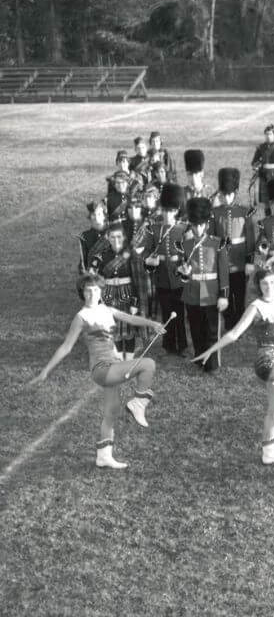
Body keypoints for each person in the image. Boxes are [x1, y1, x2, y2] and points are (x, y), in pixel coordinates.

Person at [30, 273, 166, 469]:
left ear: (101, 291)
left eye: (96, 289)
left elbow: (129, 318)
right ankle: (138, 403)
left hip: (113, 364)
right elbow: (66, 347)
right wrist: (45, 372)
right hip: (101, 369)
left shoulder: (106, 309)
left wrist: (152, 324)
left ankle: (103, 456)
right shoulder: (81, 317)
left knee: (111, 412)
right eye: (87, 290)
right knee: (148, 364)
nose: (92, 293)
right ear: (82, 293)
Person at [193, 268, 274, 464]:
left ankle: (269, 452)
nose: (269, 287)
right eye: (264, 284)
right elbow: (235, 333)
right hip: (267, 363)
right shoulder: (255, 307)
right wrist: (211, 350)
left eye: (272, 283)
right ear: (259, 286)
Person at [179, 197, 230, 372]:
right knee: (196, 328)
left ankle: (212, 363)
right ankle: (199, 358)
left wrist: (224, 295)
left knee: (211, 330)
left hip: (211, 293)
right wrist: (184, 275)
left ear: (206, 224)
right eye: (195, 225)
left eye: (201, 225)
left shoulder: (218, 244)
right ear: (191, 225)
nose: (198, 229)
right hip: (192, 293)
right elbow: (182, 275)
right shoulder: (185, 245)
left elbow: (223, 272)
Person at [87, 221, 151, 358]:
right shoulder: (101, 257)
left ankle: (128, 360)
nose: (116, 240)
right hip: (108, 297)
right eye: (112, 237)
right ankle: (117, 359)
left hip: (127, 296)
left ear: (124, 238)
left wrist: (135, 302)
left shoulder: (131, 255)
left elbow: (137, 281)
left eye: (119, 237)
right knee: (113, 330)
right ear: (108, 238)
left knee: (128, 331)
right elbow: (95, 281)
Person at [144, 183, 189, 355]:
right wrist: (149, 260)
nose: (167, 214)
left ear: (176, 210)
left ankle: (182, 345)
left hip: (178, 276)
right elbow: (147, 251)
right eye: (165, 210)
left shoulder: (183, 229)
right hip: (161, 276)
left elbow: (188, 252)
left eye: (171, 211)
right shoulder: (154, 229)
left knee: (179, 313)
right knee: (166, 312)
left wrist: (186, 266)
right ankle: (168, 345)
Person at [211, 168, 255, 327]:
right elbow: (212, 237)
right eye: (224, 194)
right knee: (225, 294)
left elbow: (250, 237)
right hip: (222, 263)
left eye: (229, 194)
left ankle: (240, 322)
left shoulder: (244, 212)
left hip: (240, 261)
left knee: (240, 294)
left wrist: (250, 260)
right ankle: (229, 323)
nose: (226, 197)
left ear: (235, 192)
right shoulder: (214, 213)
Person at [250, 124, 274, 214]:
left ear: (273, 134)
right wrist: (257, 167)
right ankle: (268, 221)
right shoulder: (261, 148)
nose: (268, 136)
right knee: (267, 202)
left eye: (270, 134)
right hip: (264, 176)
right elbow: (254, 163)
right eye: (266, 134)